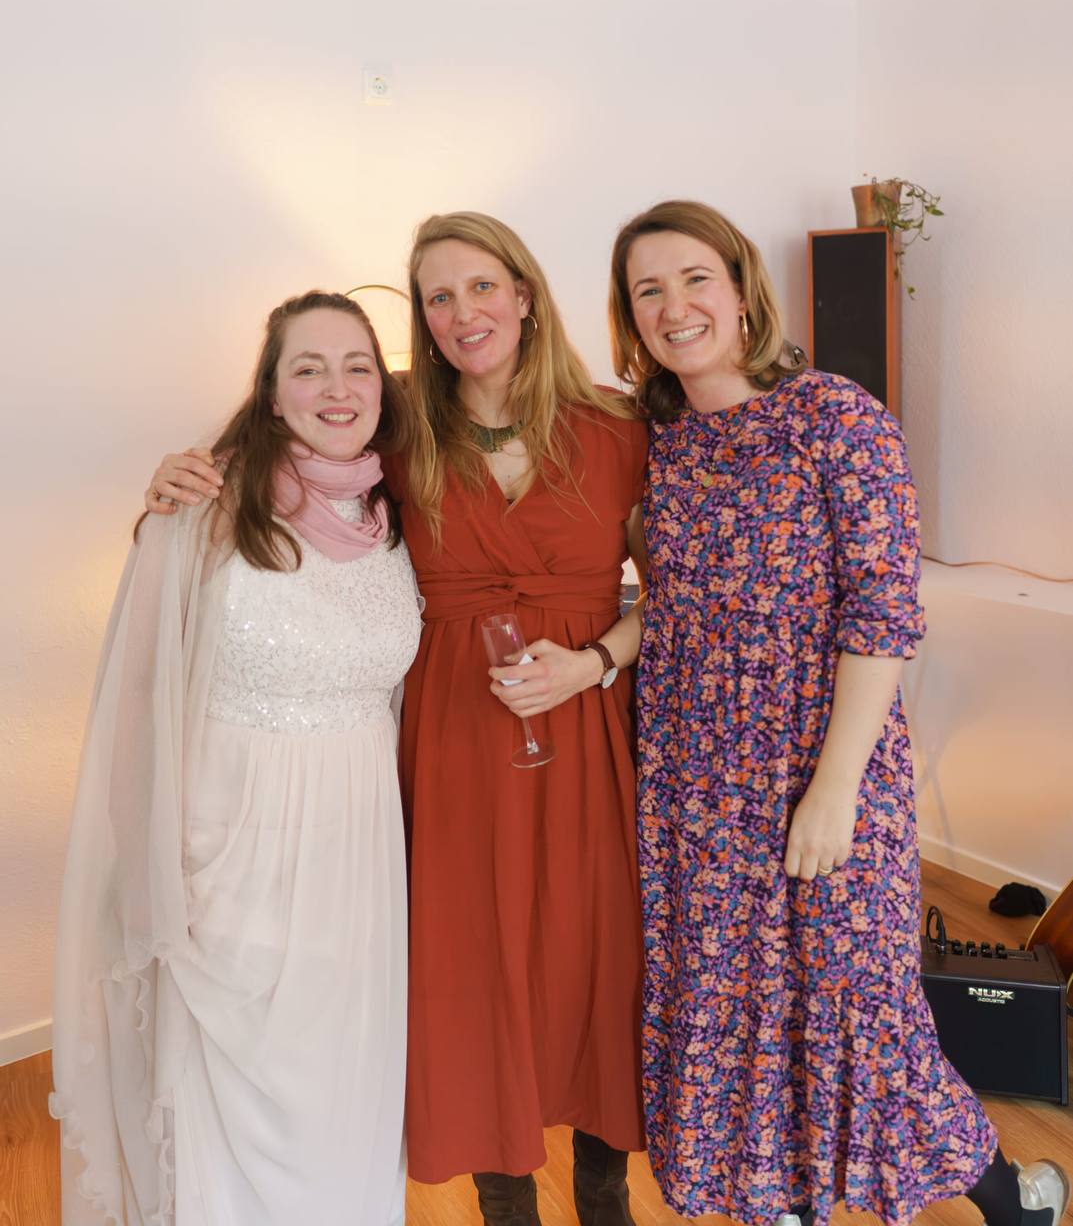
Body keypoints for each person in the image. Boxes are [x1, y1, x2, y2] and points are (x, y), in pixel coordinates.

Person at [142, 212, 649, 1226]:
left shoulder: (618, 427)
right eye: (437, 296)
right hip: (451, 732)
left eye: (481, 286)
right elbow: (286, 449)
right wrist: (180, 475)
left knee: (599, 954)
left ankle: (604, 1197)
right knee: (470, 965)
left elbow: (675, 592)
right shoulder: (399, 425)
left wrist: (595, 660)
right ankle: (505, 1201)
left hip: (587, 726)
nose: (462, 312)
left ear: (525, 294)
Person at [607, 199, 1071, 1226]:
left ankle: (1009, 1194)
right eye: (647, 289)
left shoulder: (836, 417)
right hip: (691, 773)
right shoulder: (655, 439)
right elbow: (669, 604)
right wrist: (597, 654)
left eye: (694, 278)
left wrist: (832, 790)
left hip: (825, 760)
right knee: (727, 1007)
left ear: (740, 289)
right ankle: (770, 1201)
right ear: (627, 313)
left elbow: (883, 613)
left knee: (859, 1005)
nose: (674, 306)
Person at [52, 292, 422, 1225]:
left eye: (358, 366)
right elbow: (137, 709)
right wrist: (160, 875)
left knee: (342, 1085)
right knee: (243, 1090)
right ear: (269, 392)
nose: (337, 388)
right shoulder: (204, 507)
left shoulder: (397, 510)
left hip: (359, 855)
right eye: (308, 367)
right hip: (235, 852)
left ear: (384, 388)